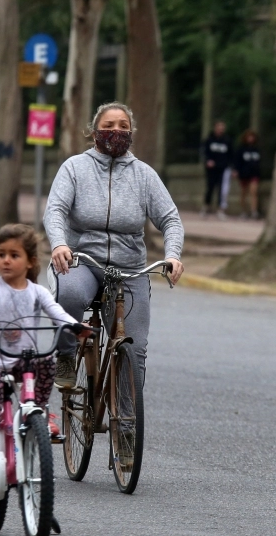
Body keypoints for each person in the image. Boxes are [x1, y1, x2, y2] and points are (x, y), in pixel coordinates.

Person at [0, 224, 91, 521]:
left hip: (24, 360)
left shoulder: (37, 292)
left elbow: (58, 313)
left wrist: (75, 326)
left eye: (14, 255)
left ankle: (40, 410)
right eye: (1, 255)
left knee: (48, 359)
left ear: (30, 262)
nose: (6, 261)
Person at [44, 101, 185, 391]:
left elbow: (171, 219)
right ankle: (66, 354)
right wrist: (59, 244)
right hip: (83, 262)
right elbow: (55, 210)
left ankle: (127, 427)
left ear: (131, 132)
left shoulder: (144, 175)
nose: (116, 131)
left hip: (129, 270)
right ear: (94, 131)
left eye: (123, 126)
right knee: (68, 293)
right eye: (108, 126)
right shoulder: (74, 168)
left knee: (134, 350)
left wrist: (173, 255)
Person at [202, 120, 232, 220]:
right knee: (210, 188)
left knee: (222, 190)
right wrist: (208, 161)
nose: (221, 129)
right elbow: (204, 152)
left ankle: (220, 209)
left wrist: (229, 165)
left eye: (222, 127)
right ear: (215, 128)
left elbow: (230, 154)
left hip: (222, 168)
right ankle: (206, 207)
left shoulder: (227, 141)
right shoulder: (209, 140)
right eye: (219, 127)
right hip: (211, 169)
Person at [233, 129, 262, 219]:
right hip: (244, 173)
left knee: (254, 192)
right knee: (243, 193)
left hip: (254, 174)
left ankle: (254, 211)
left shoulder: (256, 150)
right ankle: (243, 211)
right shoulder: (241, 149)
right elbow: (237, 161)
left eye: (252, 137)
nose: (251, 139)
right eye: (249, 137)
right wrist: (236, 170)